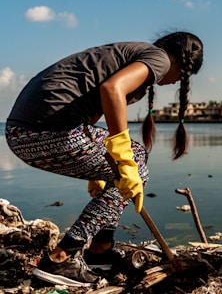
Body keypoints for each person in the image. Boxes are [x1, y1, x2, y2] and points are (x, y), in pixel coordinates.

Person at [4, 31, 203, 287]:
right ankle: (61, 257)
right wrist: (123, 157)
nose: (175, 82)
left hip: (21, 134)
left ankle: (100, 250)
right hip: (46, 133)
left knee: (133, 158)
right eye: (183, 77)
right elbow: (113, 89)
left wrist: (99, 171)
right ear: (182, 65)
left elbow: (91, 115)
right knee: (136, 167)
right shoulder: (160, 58)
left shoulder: (130, 53)